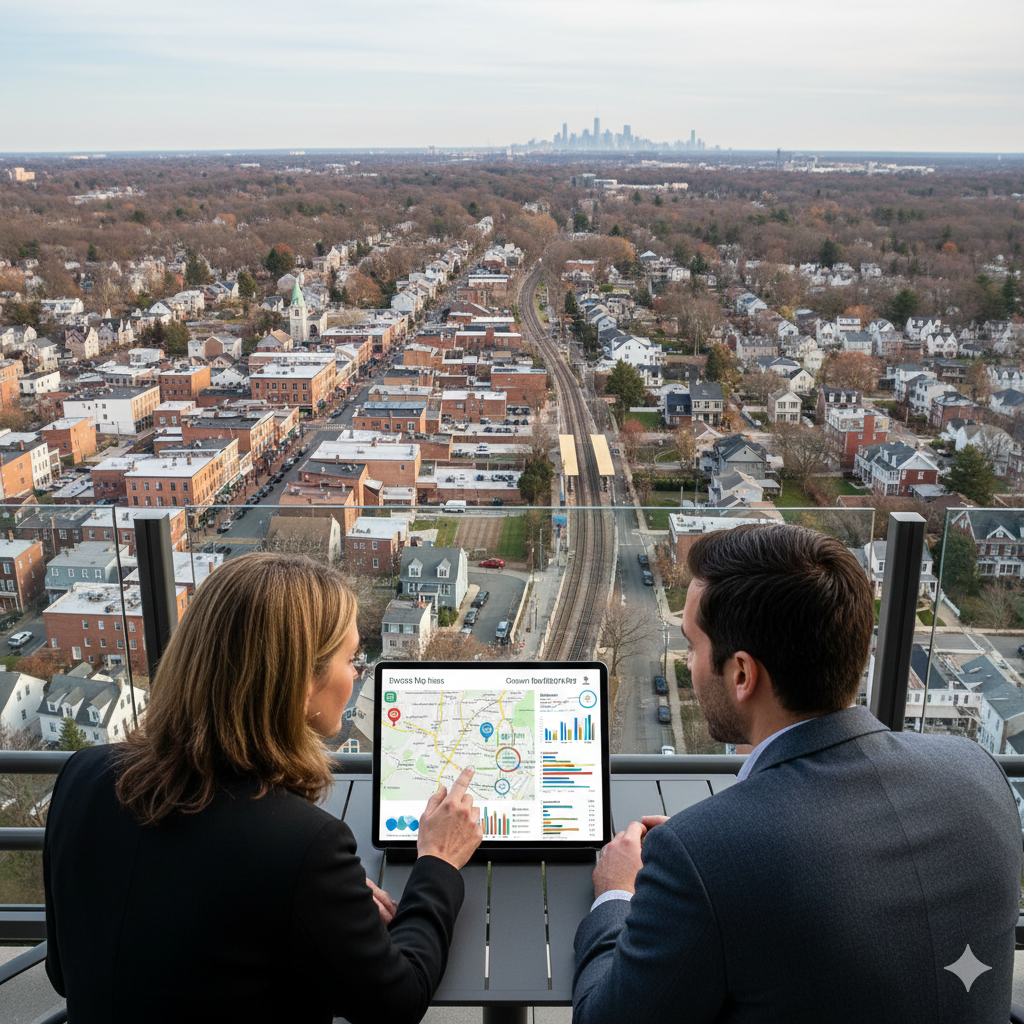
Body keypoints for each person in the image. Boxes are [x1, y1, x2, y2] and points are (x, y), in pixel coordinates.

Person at [573, 524, 1023, 1024]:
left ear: (742, 674)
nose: (690, 662)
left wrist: (616, 892)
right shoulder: (977, 774)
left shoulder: (699, 856)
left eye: (693, 645)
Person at [44, 552, 483, 1024]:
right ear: (298, 683)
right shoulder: (302, 846)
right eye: (351, 658)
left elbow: (64, 975)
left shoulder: (82, 777)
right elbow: (397, 1001)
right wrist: (436, 862)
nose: (358, 673)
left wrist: (310, 901)